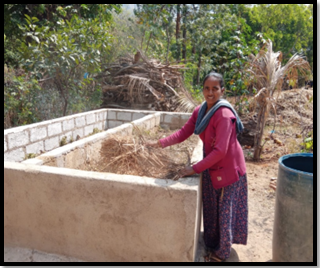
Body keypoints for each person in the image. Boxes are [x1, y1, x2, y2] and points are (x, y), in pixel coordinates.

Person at [146, 71, 248, 262]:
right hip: (211, 166)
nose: (210, 93)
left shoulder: (224, 115)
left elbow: (220, 151)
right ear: (202, 90)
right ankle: (211, 243)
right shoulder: (201, 111)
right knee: (211, 208)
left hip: (227, 169)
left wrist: (194, 169)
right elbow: (183, 133)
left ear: (222, 90)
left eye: (215, 89)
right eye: (207, 88)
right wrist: (158, 144)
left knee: (224, 211)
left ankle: (221, 253)